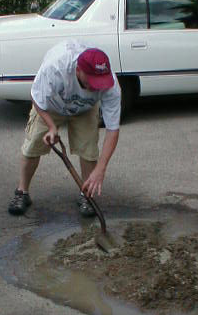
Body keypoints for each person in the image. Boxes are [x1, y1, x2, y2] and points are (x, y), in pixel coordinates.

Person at [8, 40, 121, 217]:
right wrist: (51, 127)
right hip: (51, 106)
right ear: (78, 70)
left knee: (89, 150)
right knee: (32, 146)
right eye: (93, 81)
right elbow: (37, 98)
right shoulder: (55, 68)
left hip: (85, 109)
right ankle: (22, 192)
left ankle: (86, 195)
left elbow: (113, 130)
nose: (97, 86)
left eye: (100, 82)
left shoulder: (110, 84)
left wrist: (101, 168)